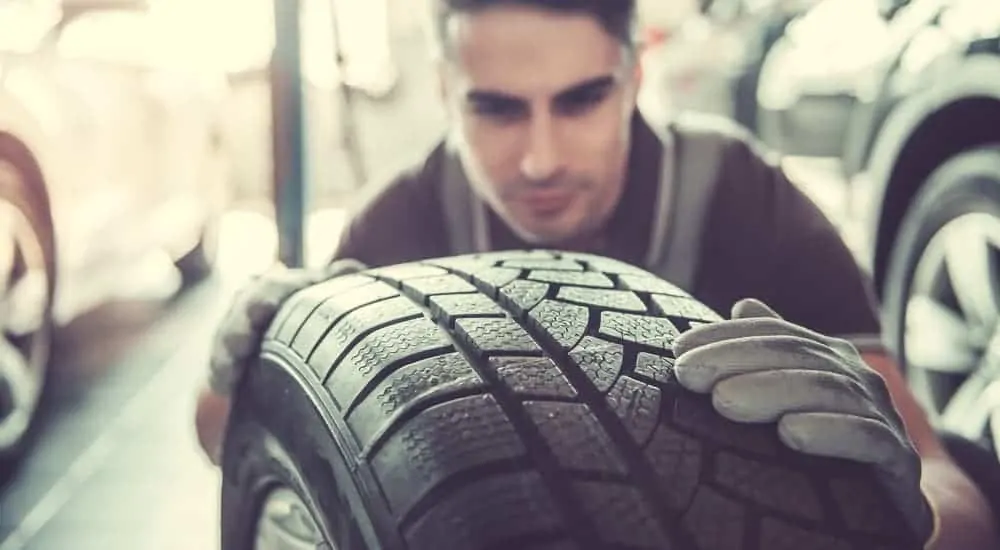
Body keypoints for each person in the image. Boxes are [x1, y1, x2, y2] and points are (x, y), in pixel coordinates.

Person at [195, 1, 1000, 548]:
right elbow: (241, 447)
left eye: (579, 101)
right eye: (497, 109)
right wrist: (239, 373)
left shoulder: (739, 193)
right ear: (445, 91)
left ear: (634, 77)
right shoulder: (403, 219)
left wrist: (908, 513)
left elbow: (941, 471)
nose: (541, 158)